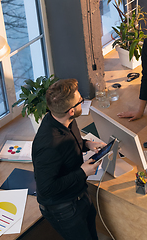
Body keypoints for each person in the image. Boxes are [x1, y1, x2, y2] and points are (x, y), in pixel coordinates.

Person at [32, 78, 105, 240]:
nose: (82, 102)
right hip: (63, 209)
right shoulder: (49, 146)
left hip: (79, 194)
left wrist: (87, 144)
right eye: (80, 101)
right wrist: (82, 172)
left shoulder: (63, 119)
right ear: (71, 110)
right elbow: (46, 189)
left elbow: (70, 143)